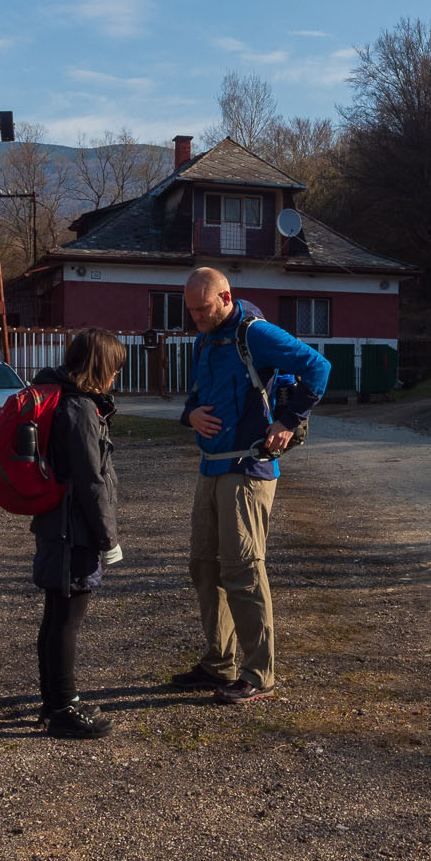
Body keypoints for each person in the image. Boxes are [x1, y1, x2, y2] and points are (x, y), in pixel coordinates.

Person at [172, 267, 330, 704]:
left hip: (248, 469)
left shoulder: (254, 333)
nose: (196, 319)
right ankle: (217, 663)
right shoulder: (205, 339)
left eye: (202, 309)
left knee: (242, 569)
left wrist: (287, 420)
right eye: (191, 311)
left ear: (226, 297)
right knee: (204, 565)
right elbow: (193, 398)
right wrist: (191, 416)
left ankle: (259, 673)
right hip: (210, 467)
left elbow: (318, 366)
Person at [29, 328, 126, 737]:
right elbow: (91, 481)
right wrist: (109, 540)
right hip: (75, 531)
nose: (116, 377)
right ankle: (63, 709)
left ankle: (55, 701)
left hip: (58, 524)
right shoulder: (80, 410)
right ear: (99, 367)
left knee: (56, 615)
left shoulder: (62, 399)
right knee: (67, 618)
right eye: (114, 369)